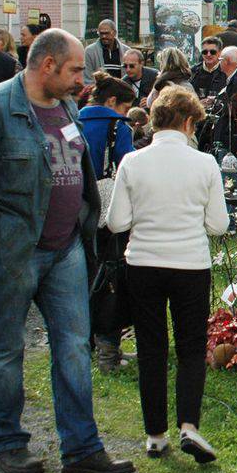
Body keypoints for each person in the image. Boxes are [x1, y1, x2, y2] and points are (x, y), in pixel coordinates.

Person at [0, 28, 135, 473]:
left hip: (65, 247)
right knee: (6, 348)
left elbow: (73, 166)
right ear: (46, 64)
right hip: (14, 252)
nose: (80, 79)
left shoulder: (65, 106)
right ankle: (9, 443)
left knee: (73, 347)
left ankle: (82, 450)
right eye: (73, 70)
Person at [106, 86, 228, 464]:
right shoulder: (205, 163)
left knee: (151, 347)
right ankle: (189, 425)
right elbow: (218, 225)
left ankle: (155, 434)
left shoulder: (131, 161)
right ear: (189, 122)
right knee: (191, 348)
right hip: (190, 262)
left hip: (143, 262)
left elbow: (116, 222)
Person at [77, 71, 137, 373]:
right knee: (110, 278)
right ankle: (109, 349)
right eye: (125, 107)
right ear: (113, 102)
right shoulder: (117, 125)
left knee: (82, 277)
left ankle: (81, 344)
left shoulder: (73, 120)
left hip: (75, 207)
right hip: (107, 208)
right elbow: (127, 163)